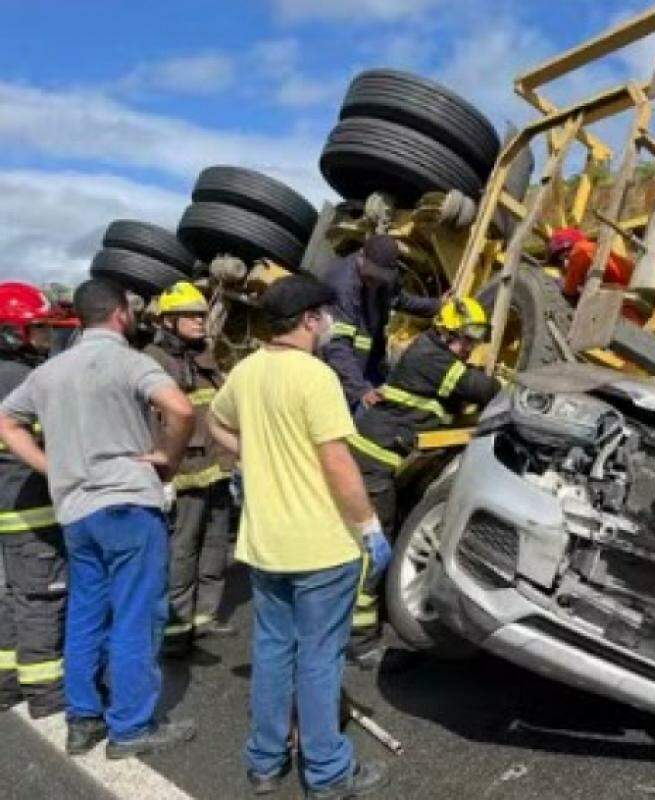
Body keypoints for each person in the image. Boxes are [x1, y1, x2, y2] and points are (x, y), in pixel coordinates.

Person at [208, 274, 390, 798]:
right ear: (309, 320)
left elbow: (215, 423)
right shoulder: (315, 376)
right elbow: (337, 462)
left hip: (266, 545)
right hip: (320, 546)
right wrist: (369, 527)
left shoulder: (245, 373)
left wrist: (250, 457)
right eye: (326, 315)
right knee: (318, 658)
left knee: (271, 651)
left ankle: (265, 762)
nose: (331, 323)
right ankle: (329, 772)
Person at [0, 278, 196, 759]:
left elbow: (6, 421)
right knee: (135, 616)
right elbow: (179, 408)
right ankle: (130, 728)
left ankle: (82, 720)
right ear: (120, 314)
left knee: (86, 614)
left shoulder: (48, 372)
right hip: (128, 505)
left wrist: (52, 467)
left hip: (75, 513)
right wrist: (166, 456)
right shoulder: (130, 361)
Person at [347, 297, 501, 666]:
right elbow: (482, 389)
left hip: (381, 457)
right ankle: (360, 639)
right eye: (465, 339)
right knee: (375, 543)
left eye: (474, 341)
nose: (469, 348)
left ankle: (367, 619)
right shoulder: (432, 358)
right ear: (444, 332)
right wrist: (503, 383)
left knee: (380, 536)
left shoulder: (433, 353)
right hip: (374, 459)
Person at [143, 282, 235, 657]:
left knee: (215, 544)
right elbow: (152, 421)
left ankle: (205, 616)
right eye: (192, 316)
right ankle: (176, 628)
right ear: (168, 320)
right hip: (182, 471)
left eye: (202, 315)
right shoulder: (154, 360)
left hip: (215, 466)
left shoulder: (205, 355)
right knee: (182, 550)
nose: (200, 322)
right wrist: (160, 474)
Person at [0, 282, 68, 718]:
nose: (46, 338)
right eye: (37, 329)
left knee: (10, 596)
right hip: (27, 508)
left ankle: (7, 683)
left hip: (7, 507)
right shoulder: (23, 381)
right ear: (12, 332)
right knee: (42, 598)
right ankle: (45, 692)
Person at [321, 234, 441, 408]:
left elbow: (399, 299)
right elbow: (338, 347)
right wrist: (360, 390)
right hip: (343, 371)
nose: (375, 283)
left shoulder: (384, 278)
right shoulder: (342, 288)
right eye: (371, 277)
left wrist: (437, 306)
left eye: (380, 279)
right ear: (361, 257)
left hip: (370, 361)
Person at [546, 226, 634, 300]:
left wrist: (562, 286)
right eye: (560, 261)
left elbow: (569, 291)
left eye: (565, 256)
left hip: (629, 290)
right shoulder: (593, 252)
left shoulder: (580, 251)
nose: (565, 264)